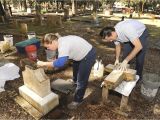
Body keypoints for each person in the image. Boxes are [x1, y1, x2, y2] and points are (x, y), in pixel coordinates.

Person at [37, 33, 96, 109]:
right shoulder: (59, 40)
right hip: (80, 54)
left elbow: (60, 63)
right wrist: (56, 59)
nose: (48, 49)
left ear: (53, 42)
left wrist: (43, 64)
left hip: (88, 55)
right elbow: (62, 55)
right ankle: (75, 82)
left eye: (48, 47)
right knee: (76, 68)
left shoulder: (63, 45)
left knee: (82, 80)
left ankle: (78, 100)